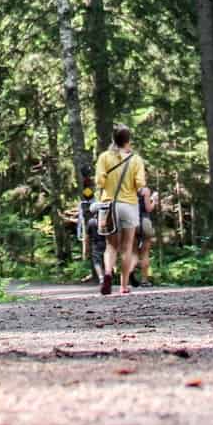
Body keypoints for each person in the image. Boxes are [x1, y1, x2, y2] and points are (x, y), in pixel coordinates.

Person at [92, 124, 147, 296]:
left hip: (109, 205)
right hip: (129, 205)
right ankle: (123, 285)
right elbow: (140, 185)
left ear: (113, 139)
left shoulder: (104, 157)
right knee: (127, 247)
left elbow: (99, 182)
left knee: (110, 246)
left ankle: (107, 274)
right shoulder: (135, 160)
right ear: (128, 140)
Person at [77, 184, 105, 285]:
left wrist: (86, 248)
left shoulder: (91, 222)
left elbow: (87, 236)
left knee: (97, 261)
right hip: (105, 242)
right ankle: (107, 274)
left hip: (95, 243)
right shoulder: (105, 222)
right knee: (105, 258)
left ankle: (101, 277)